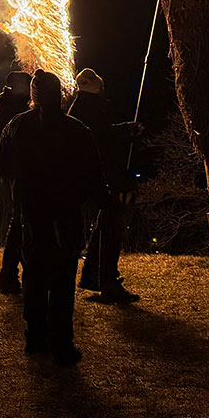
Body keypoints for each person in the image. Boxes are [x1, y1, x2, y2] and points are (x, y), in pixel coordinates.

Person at [0, 69, 105, 365]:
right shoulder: (76, 130)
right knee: (62, 279)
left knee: (35, 276)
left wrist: (16, 180)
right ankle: (61, 344)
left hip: (33, 214)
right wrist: (103, 200)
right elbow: (93, 172)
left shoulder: (19, 126)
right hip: (64, 215)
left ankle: (37, 338)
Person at [67, 68, 142, 303]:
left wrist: (124, 130)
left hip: (88, 174)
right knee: (111, 226)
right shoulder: (88, 107)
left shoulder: (81, 105)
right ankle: (106, 281)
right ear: (95, 87)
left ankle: (96, 278)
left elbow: (102, 134)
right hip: (96, 175)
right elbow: (101, 139)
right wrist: (126, 132)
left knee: (106, 224)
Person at [0, 71, 32, 295]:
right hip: (18, 172)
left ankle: (19, 274)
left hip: (19, 171)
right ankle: (10, 277)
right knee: (19, 223)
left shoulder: (13, 104)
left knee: (21, 222)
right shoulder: (11, 109)